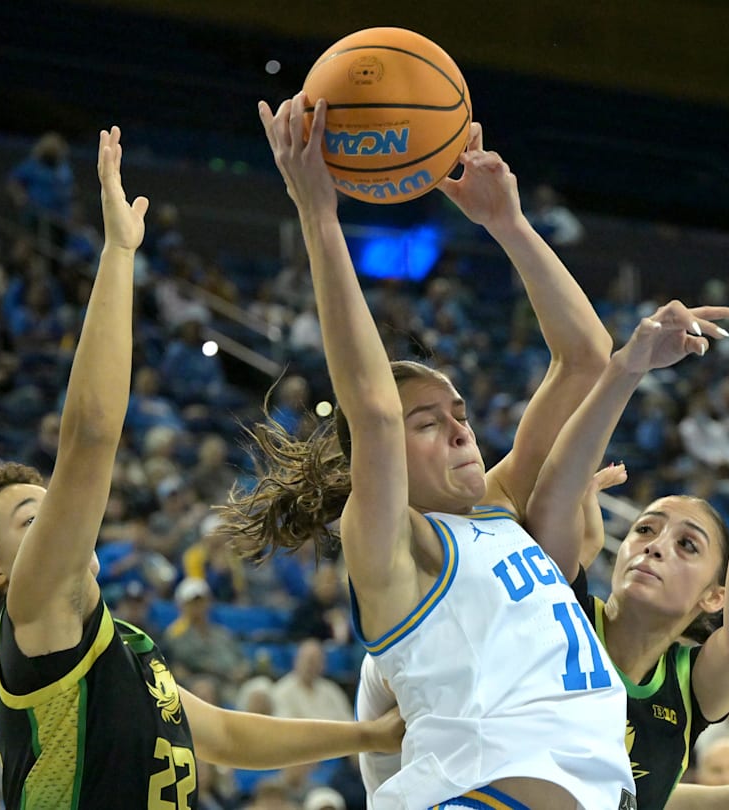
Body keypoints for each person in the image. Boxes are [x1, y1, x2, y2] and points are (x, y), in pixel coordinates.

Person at [0, 127, 400, 810]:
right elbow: (90, 436)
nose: (61, 512)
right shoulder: (31, 608)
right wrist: (120, 252)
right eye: (33, 515)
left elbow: (228, 739)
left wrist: (369, 734)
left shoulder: (120, 646)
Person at [238, 93, 632, 810]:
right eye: (428, 422)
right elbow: (374, 414)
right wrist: (319, 216)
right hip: (478, 790)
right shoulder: (394, 542)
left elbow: (585, 357)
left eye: (460, 413)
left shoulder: (499, 508)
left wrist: (507, 224)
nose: (459, 429)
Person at [524, 305, 729, 810]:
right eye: (645, 529)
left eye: (687, 545)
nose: (654, 545)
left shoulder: (688, 686)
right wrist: (625, 369)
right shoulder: (566, 616)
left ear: (714, 595)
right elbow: (550, 503)